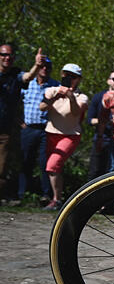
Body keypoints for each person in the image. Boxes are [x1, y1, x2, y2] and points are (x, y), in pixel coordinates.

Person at [0, 44, 48, 199]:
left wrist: (37, 65)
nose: (7, 58)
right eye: (4, 55)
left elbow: (28, 77)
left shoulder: (15, 75)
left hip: (4, 130)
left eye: (10, 56)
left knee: (1, 166)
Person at [39, 64, 89, 209]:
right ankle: (56, 197)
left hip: (70, 135)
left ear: (78, 79)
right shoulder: (52, 90)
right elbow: (42, 107)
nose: (69, 79)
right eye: (66, 75)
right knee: (53, 168)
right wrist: (56, 97)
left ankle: (56, 200)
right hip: (51, 133)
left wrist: (71, 97)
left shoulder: (82, 97)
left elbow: (76, 113)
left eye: (73, 77)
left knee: (53, 165)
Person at [18, 56, 58, 202]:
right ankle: (22, 194)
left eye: (48, 67)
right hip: (28, 128)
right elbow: (16, 102)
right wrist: (19, 121)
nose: (45, 69)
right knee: (25, 160)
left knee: (45, 163)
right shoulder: (27, 84)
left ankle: (46, 195)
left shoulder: (55, 85)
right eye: (43, 66)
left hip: (46, 129)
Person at [86, 70, 114, 180]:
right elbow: (89, 120)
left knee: (111, 173)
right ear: (108, 81)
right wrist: (104, 121)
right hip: (100, 139)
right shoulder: (98, 97)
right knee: (94, 171)